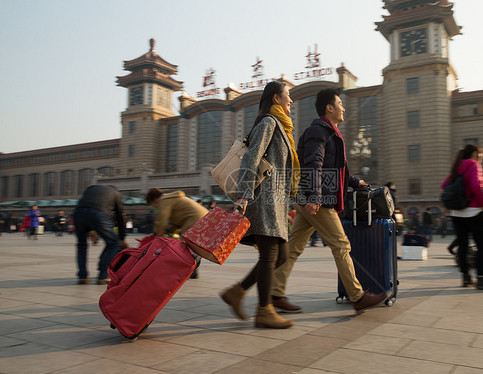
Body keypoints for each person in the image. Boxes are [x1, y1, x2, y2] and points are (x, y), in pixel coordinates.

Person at [270, 88, 387, 315]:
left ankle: (275, 292)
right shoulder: (319, 131)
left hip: (308, 198)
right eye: (340, 103)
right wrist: (315, 196)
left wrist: (354, 182)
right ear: (329, 108)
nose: (344, 107)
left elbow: (336, 170)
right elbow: (314, 165)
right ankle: (357, 296)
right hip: (318, 200)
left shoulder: (329, 132)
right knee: (341, 245)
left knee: (293, 248)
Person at [220, 81, 297, 329]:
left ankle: (237, 292)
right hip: (262, 198)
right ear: (276, 98)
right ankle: (264, 311)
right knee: (270, 255)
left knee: (280, 255)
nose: (291, 100)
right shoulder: (269, 123)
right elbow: (251, 157)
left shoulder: (281, 127)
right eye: (288, 96)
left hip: (275, 202)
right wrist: (244, 194)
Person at [441, 144, 483, 290]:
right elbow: (475, 186)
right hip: (473, 210)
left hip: (456, 213)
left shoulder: (457, 166)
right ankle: (481, 278)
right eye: (480, 155)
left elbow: (444, 184)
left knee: (463, 246)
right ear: (475, 154)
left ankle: (466, 278)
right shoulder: (474, 165)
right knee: (482, 245)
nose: (481, 158)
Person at [145, 188, 209, 279]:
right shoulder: (172, 199)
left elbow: (162, 218)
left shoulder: (163, 200)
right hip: (206, 218)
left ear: (154, 199)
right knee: (192, 248)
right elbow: (177, 221)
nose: (155, 207)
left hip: (195, 219)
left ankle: (191, 268)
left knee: (185, 248)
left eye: (153, 204)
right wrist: (170, 231)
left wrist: (157, 234)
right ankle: (193, 269)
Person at [73, 185, 128, 285]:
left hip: (78, 213)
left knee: (81, 245)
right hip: (99, 214)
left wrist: (90, 229)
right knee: (114, 243)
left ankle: (82, 277)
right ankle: (103, 276)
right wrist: (122, 238)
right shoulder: (116, 194)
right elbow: (120, 217)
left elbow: (88, 208)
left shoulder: (92, 188)